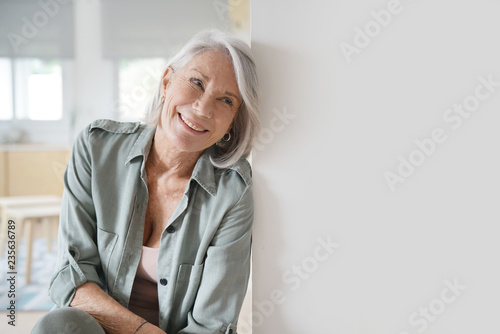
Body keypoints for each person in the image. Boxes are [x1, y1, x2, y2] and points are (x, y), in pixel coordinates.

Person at [32, 29, 260, 334]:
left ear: (233, 122)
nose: (203, 108)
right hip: (97, 327)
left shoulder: (232, 192)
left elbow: (212, 325)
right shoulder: (96, 147)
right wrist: (140, 331)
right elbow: (71, 276)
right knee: (58, 324)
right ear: (166, 82)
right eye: (196, 82)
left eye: (226, 100)